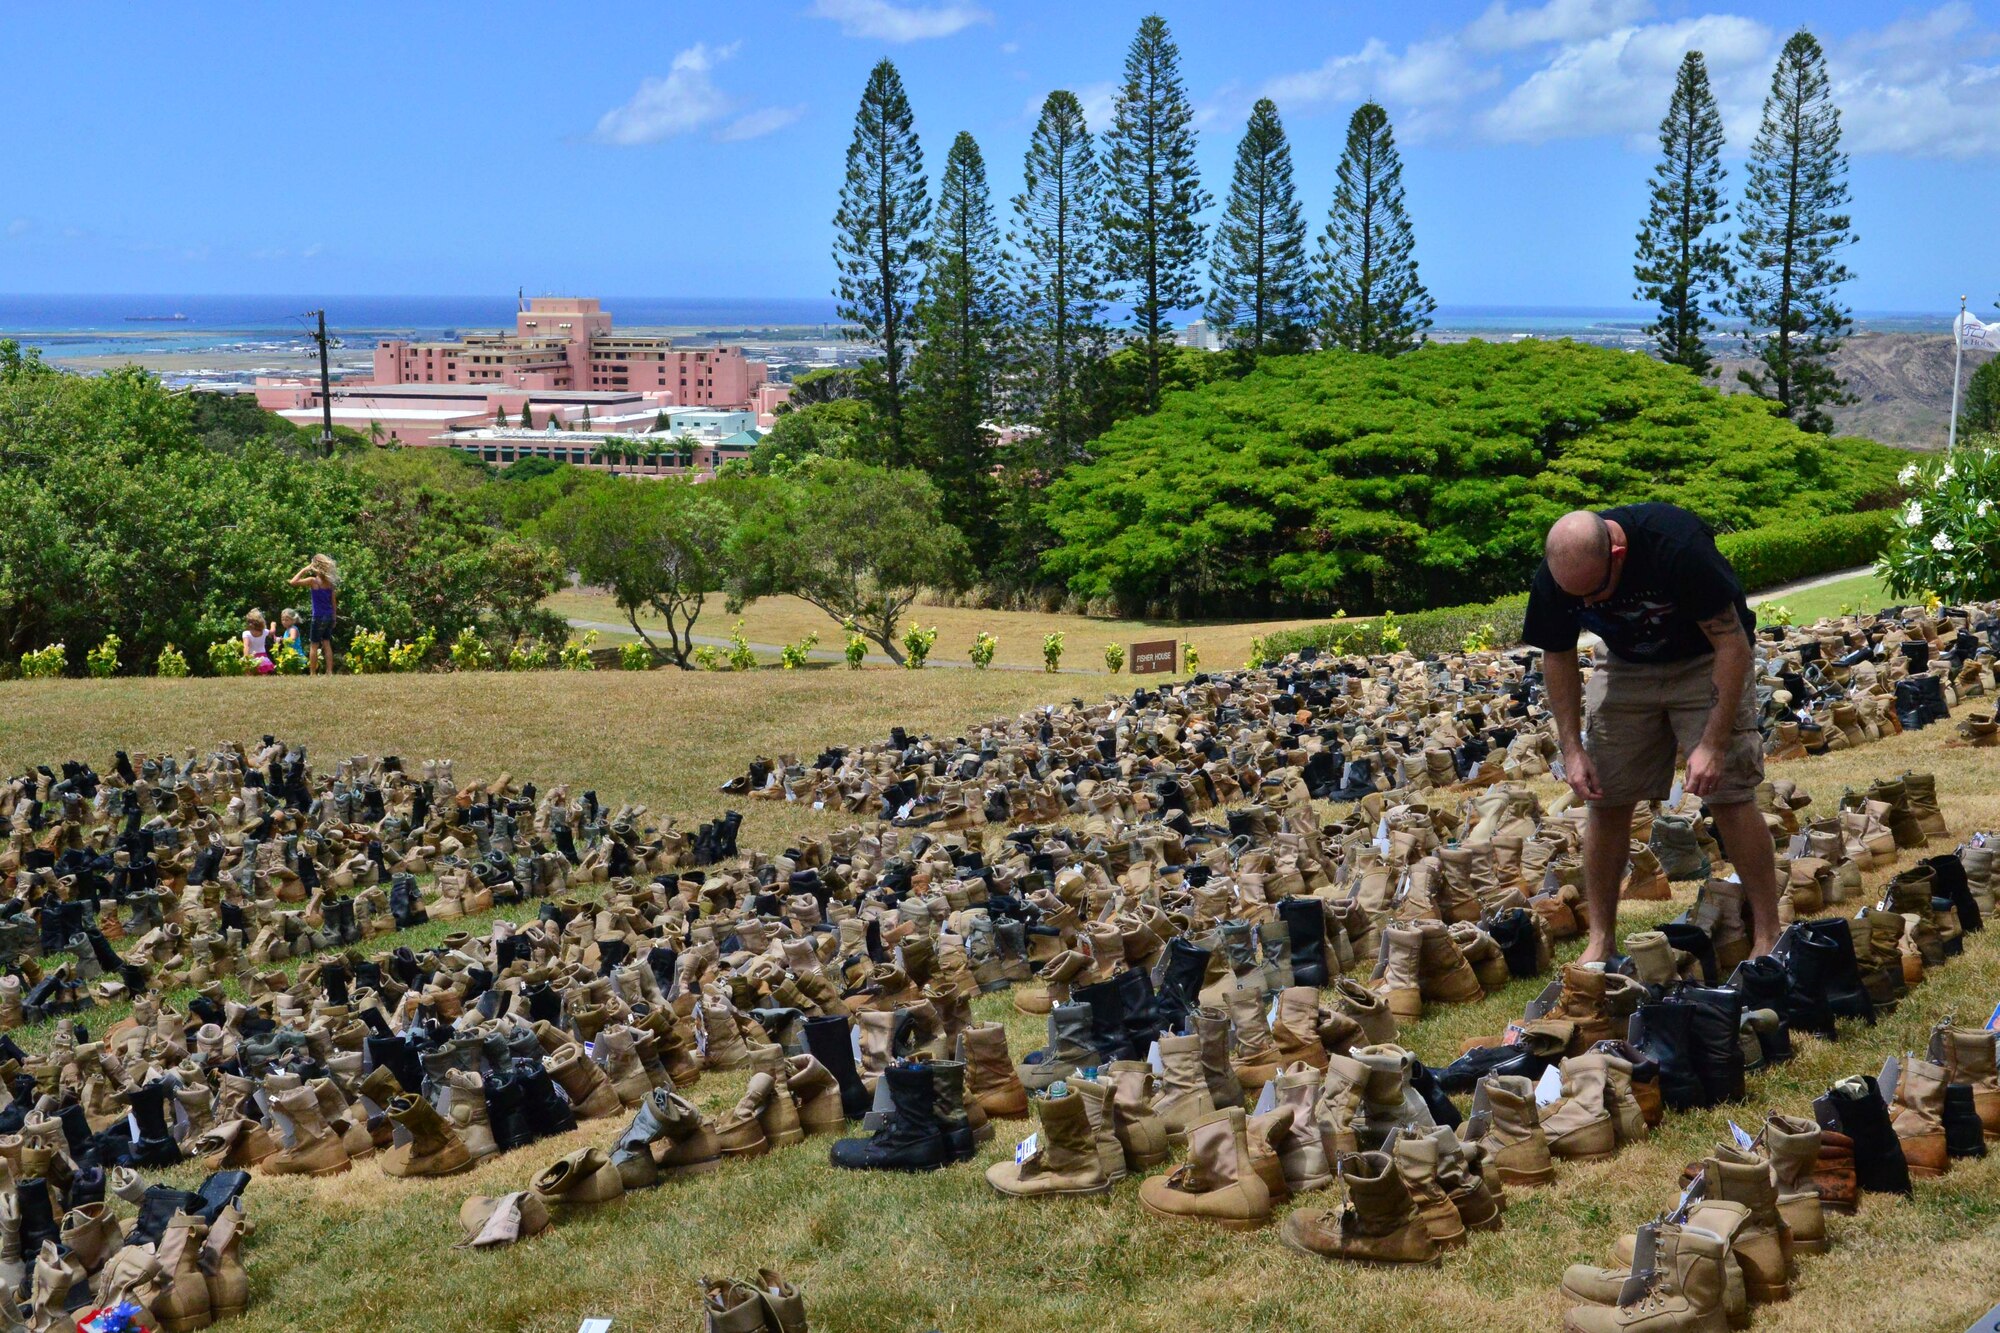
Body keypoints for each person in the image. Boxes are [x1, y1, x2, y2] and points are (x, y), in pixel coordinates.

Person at [1522, 503, 1779, 965]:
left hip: (1704, 660)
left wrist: (1713, 744)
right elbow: (1557, 655)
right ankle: (1601, 940)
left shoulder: (1678, 547)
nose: (1588, 606)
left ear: (1617, 553)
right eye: (1576, 598)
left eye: (1596, 593)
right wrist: (1573, 748)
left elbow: (1732, 643)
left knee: (1730, 795)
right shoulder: (1561, 573)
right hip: (1626, 667)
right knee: (1605, 798)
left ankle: (1767, 933)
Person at [289, 554, 339, 675]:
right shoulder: (330, 583)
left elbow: (293, 582)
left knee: (314, 645)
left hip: (318, 616)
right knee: (326, 643)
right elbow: (333, 602)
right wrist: (334, 617)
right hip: (328, 615)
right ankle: (329, 671)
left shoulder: (313, 581)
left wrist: (304, 569)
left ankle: (312, 673)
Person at [241, 609, 276, 675]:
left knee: (250, 674)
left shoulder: (246, 633)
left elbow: (246, 646)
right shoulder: (264, 631)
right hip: (263, 658)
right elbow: (272, 631)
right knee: (263, 674)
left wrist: (246, 659)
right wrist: (273, 624)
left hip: (252, 657)